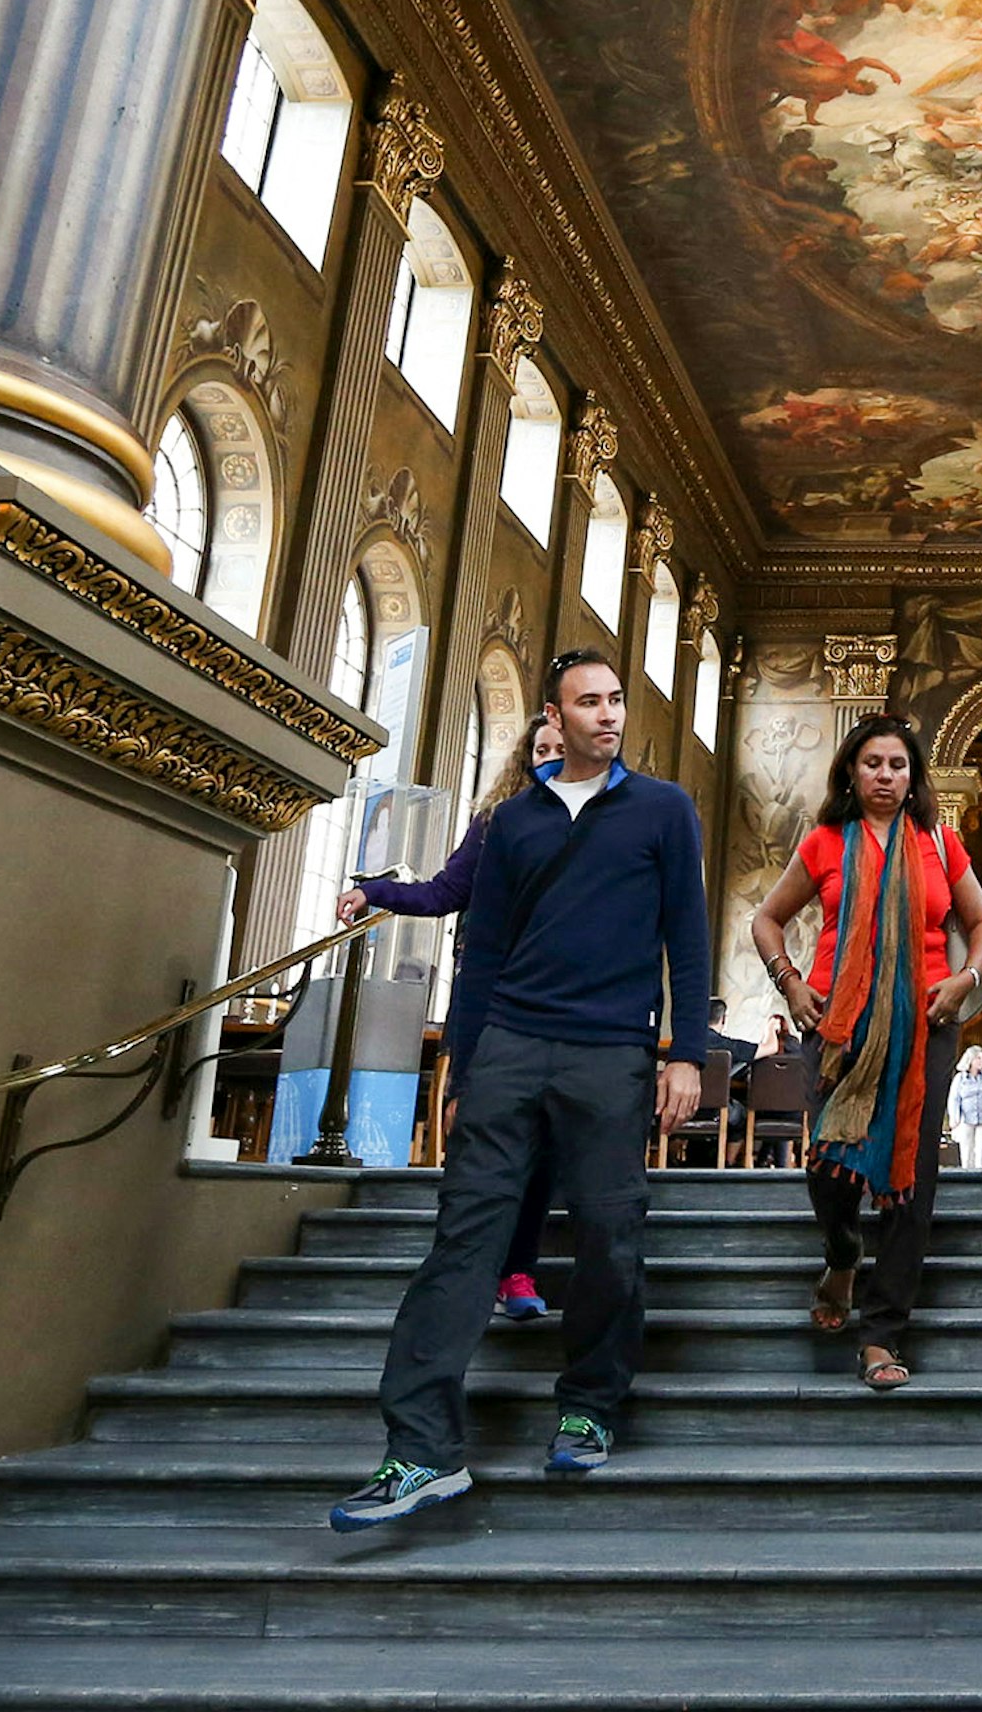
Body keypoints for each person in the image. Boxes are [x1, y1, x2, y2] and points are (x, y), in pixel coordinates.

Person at [332, 650, 707, 1528]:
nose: (609, 715)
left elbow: (684, 938)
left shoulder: (663, 810)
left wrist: (682, 1052)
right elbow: (485, 949)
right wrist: (466, 1063)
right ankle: (420, 1451)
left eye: (616, 701)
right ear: (554, 715)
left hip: (610, 1053)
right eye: (590, 702)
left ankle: (590, 1405)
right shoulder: (511, 823)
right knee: (464, 1242)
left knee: (611, 1238)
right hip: (509, 1045)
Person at [747, 712, 982, 1391]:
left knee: (911, 1184)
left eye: (897, 765)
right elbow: (766, 918)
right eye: (872, 764)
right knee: (831, 1169)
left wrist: (966, 978)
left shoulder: (941, 845)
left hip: (925, 1025)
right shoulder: (826, 843)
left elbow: (981, 927)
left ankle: (882, 1335)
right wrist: (790, 984)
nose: (886, 776)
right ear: (851, 774)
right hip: (836, 1023)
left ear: (913, 775)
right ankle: (841, 1248)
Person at [340, 712, 567, 1322]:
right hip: (487, 997)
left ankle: (518, 1270)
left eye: (559, 751)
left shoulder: (597, 829)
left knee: (541, 1142)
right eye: (539, 750)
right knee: (475, 1133)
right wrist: (376, 892)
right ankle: (468, 1264)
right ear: (525, 761)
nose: (549, 759)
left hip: (556, 1002)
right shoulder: (494, 824)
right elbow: (443, 893)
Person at [945, 1045, 982, 1169]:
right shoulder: (960, 1078)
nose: (981, 1061)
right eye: (978, 1058)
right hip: (966, 1119)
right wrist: (954, 1117)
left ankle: (981, 1174)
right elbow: (954, 1099)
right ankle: (967, 1174)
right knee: (967, 1149)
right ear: (970, 1060)